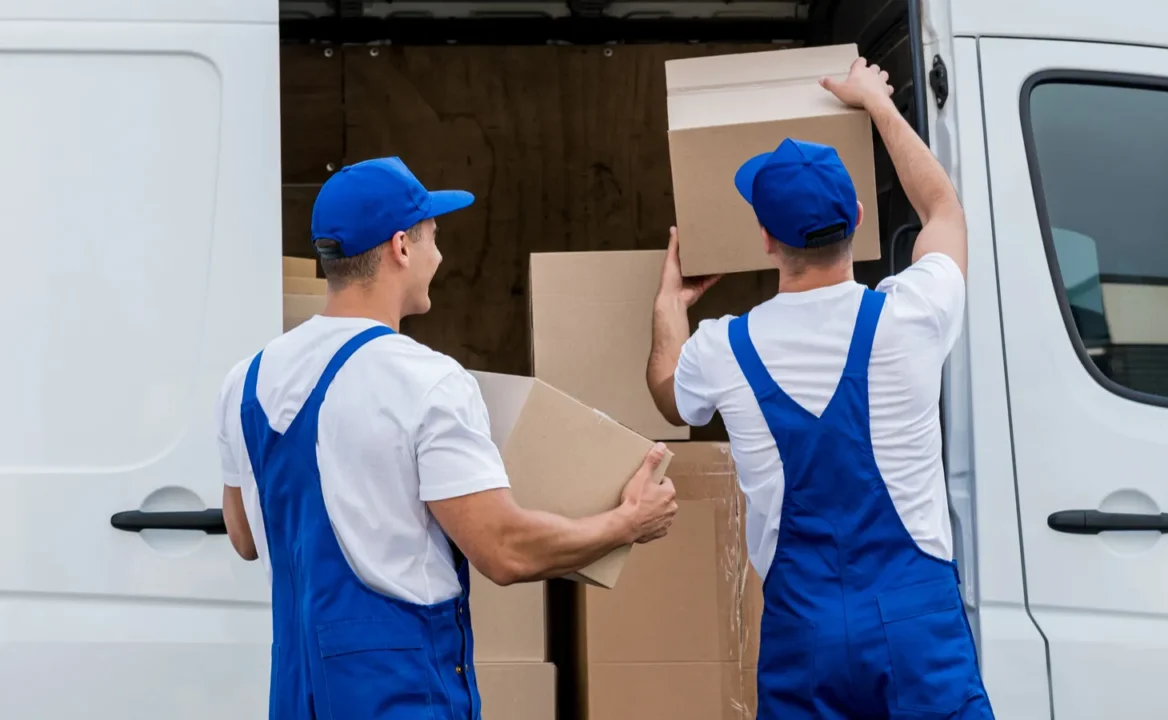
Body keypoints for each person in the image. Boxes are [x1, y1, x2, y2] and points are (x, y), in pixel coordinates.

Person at [216, 156, 678, 719]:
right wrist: (626, 522)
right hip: (400, 692)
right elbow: (503, 551)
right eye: (434, 237)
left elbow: (244, 537)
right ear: (401, 248)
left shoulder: (246, 380)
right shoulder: (427, 380)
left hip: (296, 691)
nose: (441, 256)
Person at [647, 57, 995, 719]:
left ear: (766, 238)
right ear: (859, 217)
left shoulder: (722, 348)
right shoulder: (911, 317)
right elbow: (943, 209)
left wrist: (669, 309)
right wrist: (877, 105)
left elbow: (669, 395)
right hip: (917, 630)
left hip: (803, 639)